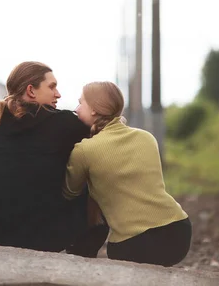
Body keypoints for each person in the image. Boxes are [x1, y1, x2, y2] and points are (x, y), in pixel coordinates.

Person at [0, 61, 103, 253]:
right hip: (45, 241)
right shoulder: (65, 125)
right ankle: (81, 257)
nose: (58, 94)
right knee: (90, 173)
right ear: (31, 91)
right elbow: (105, 139)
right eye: (52, 87)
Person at [63, 81, 192, 267]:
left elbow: (69, 192)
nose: (76, 109)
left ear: (93, 109)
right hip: (178, 231)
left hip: (132, 244)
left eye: (80, 103)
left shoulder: (84, 150)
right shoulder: (146, 137)